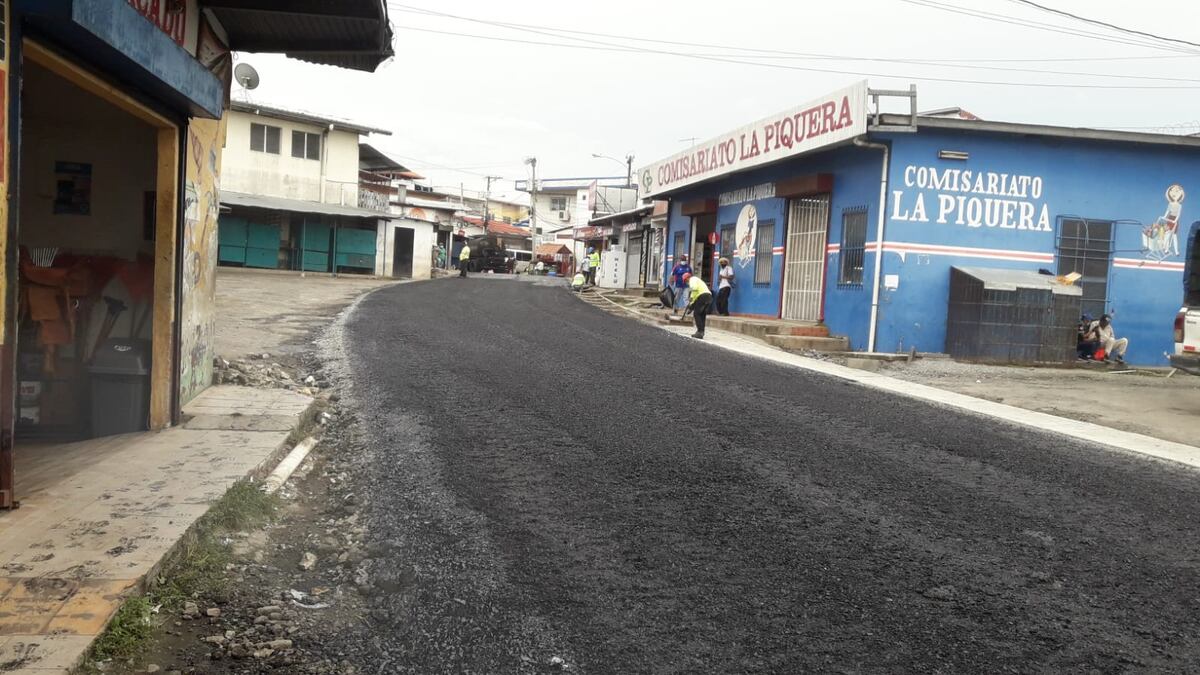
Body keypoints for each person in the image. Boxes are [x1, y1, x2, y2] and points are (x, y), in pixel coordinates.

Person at [683, 272, 712, 339]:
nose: (687, 282)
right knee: (702, 315)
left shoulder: (692, 279)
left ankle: (699, 332)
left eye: (686, 281)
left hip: (703, 296)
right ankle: (701, 332)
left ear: (687, 278)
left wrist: (691, 298)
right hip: (708, 296)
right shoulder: (697, 280)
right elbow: (696, 295)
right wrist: (691, 306)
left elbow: (694, 289)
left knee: (697, 314)